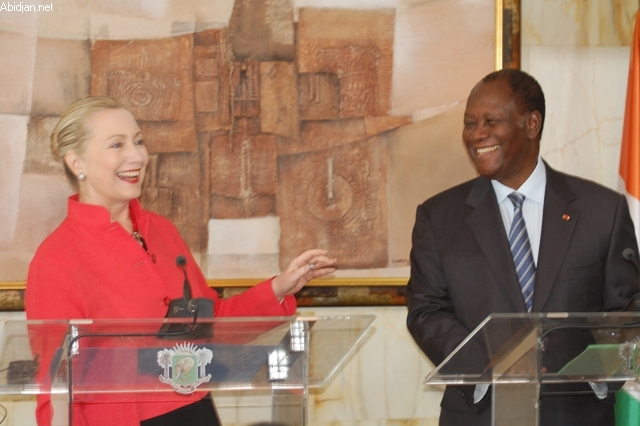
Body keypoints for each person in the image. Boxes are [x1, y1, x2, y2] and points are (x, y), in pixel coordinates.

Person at [25, 96, 337, 426]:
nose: (137, 156)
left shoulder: (161, 230)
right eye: (117, 145)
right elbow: (56, 385)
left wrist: (279, 287)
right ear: (77, 163)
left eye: (139, 141)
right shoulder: (56, 259)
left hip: (196, 411)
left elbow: (209, 326)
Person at [406, 69, 639, 426]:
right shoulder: (439, 218)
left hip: (577, 414)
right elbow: (426, 313)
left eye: (490, 121)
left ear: (531, 124)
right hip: (479, 413)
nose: (476, 134)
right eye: (470, 123)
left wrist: (595, 374)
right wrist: (494, 359)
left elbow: (626, 313)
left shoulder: (602, 211)